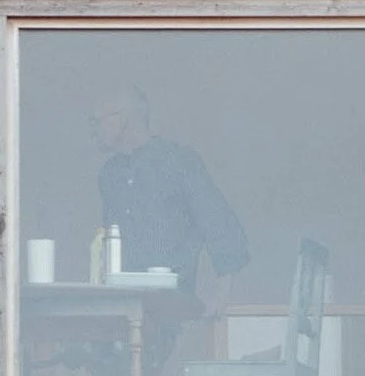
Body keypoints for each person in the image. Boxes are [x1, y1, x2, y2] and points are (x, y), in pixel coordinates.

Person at [90, 87, 249, 302]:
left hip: (170, 301)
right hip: (120, 299)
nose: (94, 130)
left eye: (97, 121)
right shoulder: (109, 175)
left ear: (122, 120)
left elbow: (217, 221)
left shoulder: (178, 162)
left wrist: (222, 292)